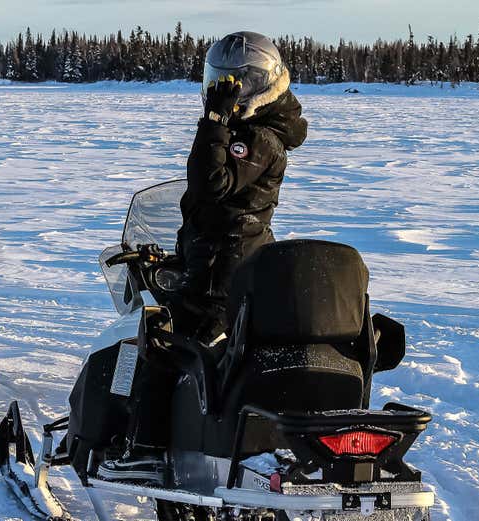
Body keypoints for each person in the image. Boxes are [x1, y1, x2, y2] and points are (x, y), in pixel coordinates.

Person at [98, 31, 308, 484]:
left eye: (234, 82)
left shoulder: (257, 137)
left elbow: (209, 183)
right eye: (219, 81)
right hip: (218, 260)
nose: (224, 90)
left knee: (161, 344)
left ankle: (147, 451)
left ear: (258, 84)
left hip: (222, 271)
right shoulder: (252, 132)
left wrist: (213, 122)